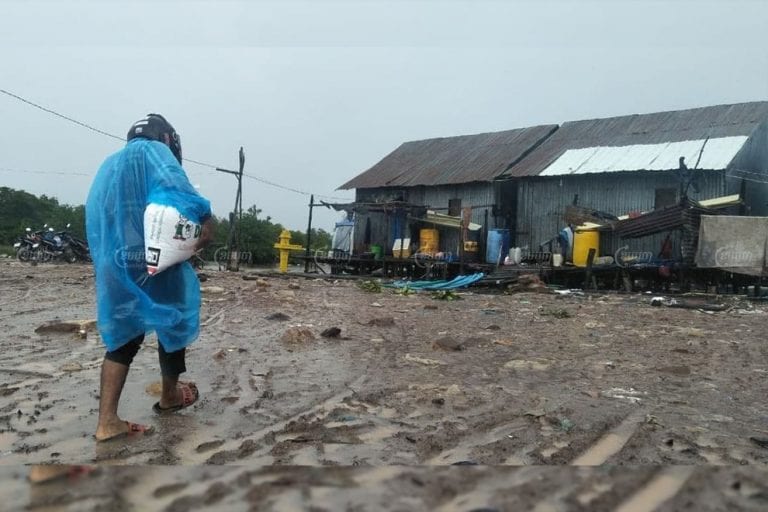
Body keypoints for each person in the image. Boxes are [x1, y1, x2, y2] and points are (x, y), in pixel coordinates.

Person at [86, 114, 213, 442]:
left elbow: (101, 219)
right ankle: (170, 396)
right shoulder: (157, 154)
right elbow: (186, 200)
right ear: (169, 140)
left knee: (124, 336)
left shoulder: (109, 166)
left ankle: (107, 421)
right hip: (154, 262)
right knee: (173, 321)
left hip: (117, 264)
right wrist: (205, 230)